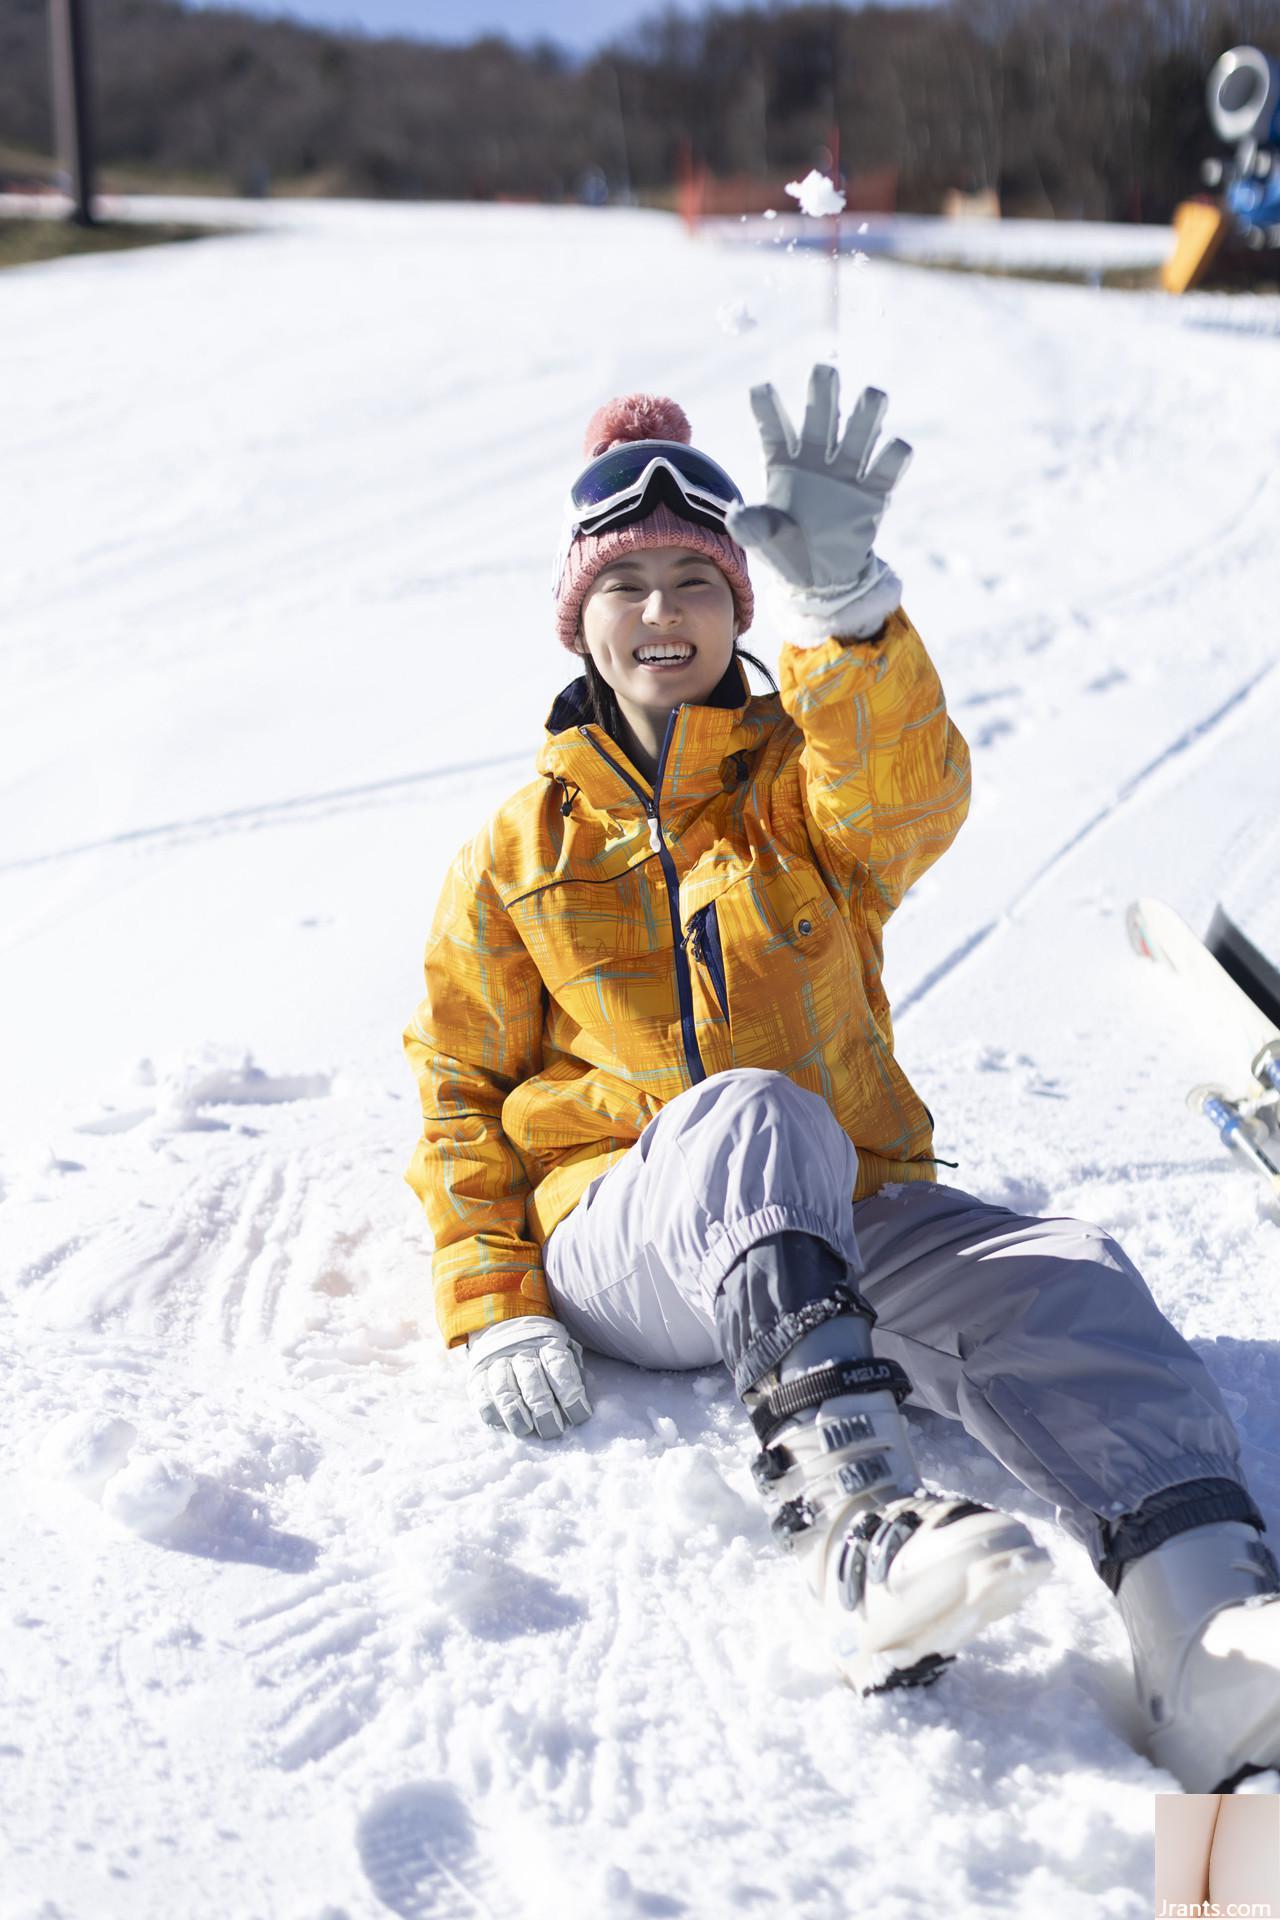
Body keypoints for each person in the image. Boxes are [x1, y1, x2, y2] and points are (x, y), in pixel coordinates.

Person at [404, 364, 1280, 1792]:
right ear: (581, 618)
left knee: (1068, 1273)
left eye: (698, 579)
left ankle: (1204, 1627)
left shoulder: (795, 793)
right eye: (627, 586)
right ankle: (850, 1530)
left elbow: (906, 796)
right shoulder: (520, 847)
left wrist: (851, 609)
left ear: (738, 608)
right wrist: (494, 1303)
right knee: (750, 1114)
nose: (663, 612)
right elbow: (454, 1080)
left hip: (830, 1216)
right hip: (631, 1239)